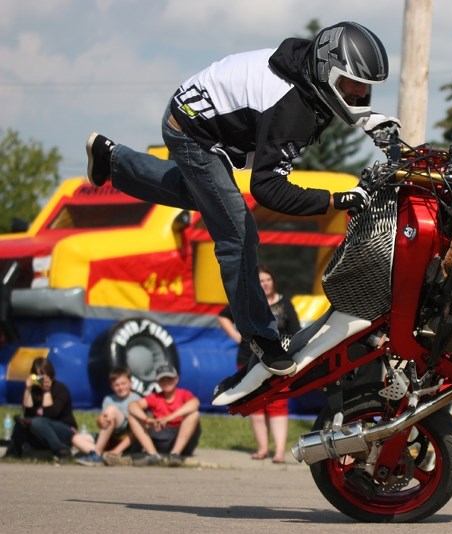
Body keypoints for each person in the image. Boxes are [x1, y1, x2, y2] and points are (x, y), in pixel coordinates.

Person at [84, 21, 399, 402]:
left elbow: (341, 104)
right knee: (237, 232)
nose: (360, 95)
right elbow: (266, 189)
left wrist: (374, 124)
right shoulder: (290, 107)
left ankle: (111, 159)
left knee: (207, 198)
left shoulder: (310, 76)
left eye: (366, 89)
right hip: (192, 130)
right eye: (353, 85)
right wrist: (333, 200)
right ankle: (261, 337)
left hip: (209, 120)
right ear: (328, 72)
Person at [218, 265, 299, 462]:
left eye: (267, 280)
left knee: (278, 403)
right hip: (249, 359)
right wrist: (237, 337)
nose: (264, 284)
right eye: (260, 281)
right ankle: (262, 449)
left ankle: (279, 452)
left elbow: (296, 331)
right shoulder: (248, 302)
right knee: (255, 403)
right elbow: (223, 316)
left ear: (273, 281)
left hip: (279, 360)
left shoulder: (285, 304)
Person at [5, 357, 96, 462]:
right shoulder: (34, 391)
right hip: (39, 431)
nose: (42, 378)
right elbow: (28, 412)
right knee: (22, 422)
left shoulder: (61, 389)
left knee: (37, 422)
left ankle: (61, 450)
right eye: (38, 376)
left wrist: (46, 391)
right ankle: (14, 452)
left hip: (63, 431)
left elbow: (50, 414)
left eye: (43, 375)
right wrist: (28, 389)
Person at [122, 364, 201, 467]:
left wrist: (168, 418)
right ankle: (153, 455)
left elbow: (195, 403)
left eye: (169, 379)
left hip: (181, 437)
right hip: (160, 435)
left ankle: (175, 454)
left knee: (194, 415)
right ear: (158, 382)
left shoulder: (184, 394)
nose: (166, 382)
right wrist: (147, 419)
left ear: (176, 379)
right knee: (133, 417)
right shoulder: (155, 397)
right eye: (163, 380)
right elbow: (132, 406)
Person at [76, 366, 142, 466]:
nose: (120, 387)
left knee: (111, 410)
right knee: (76, 439)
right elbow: (102, 424)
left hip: (125, 438)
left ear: (131, 383)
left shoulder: (137, 399)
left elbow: (135, 433)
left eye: (123, 383)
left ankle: (97, 455)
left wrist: (116, 451)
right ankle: (104, 456)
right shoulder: (109, 399)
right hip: (109, 438)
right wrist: (100, 421)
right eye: (116, 385)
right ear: (111, 386)